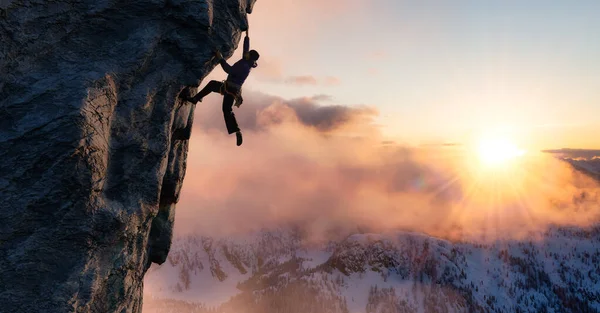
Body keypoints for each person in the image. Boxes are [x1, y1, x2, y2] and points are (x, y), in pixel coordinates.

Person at [184, 30, 259, 146]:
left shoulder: (244, 66)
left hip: (231, 89)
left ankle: (237, 131)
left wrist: (220, 58)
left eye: (249, 54)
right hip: (231, 87)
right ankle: (195, 99)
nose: (247, 53)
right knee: (213, 86)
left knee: (226, 108)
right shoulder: (247, 61)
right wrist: (247, 36)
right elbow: (245, 49)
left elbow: (228, 70)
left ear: (250, 58)